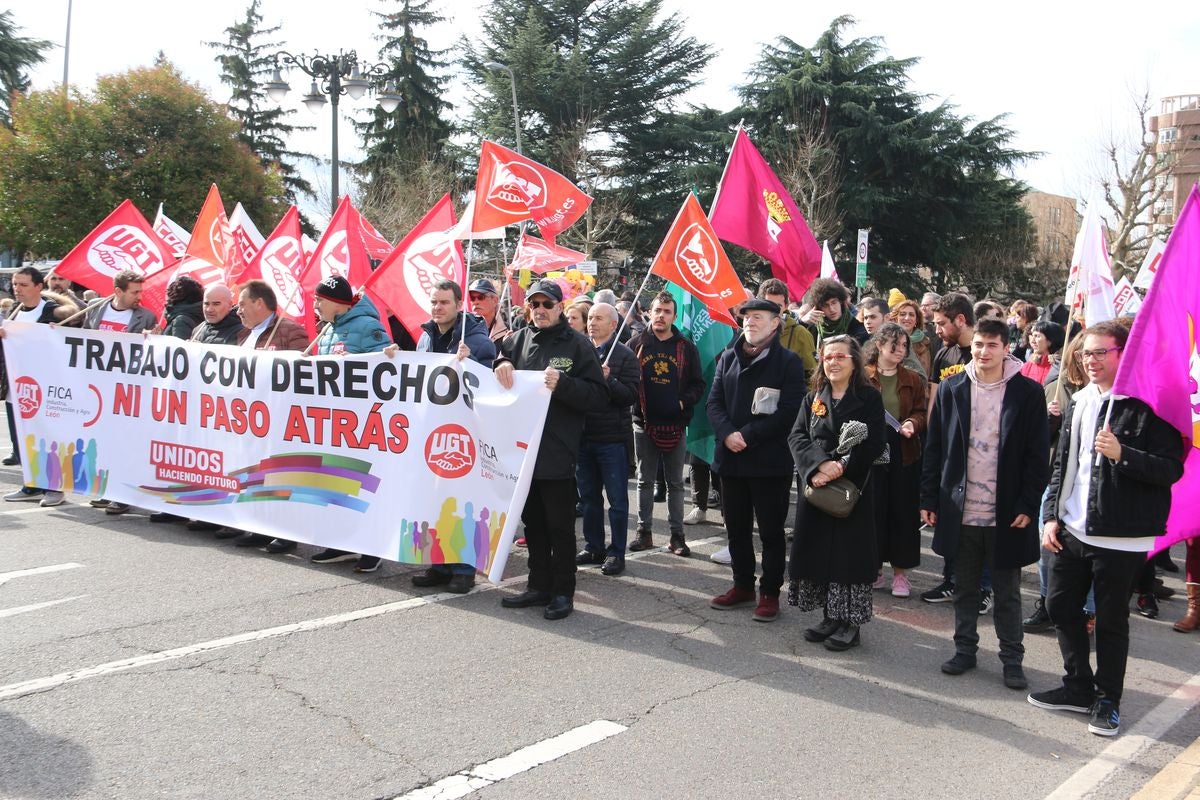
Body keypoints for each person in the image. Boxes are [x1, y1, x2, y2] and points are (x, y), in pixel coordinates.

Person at [1029, 320, 1184, 736]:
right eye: (1085, 353)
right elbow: (1063, 465)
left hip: (1121, 535)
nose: (1090, 360)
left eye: (1101, 352)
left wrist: (1123, 454)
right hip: (1072, 529)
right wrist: (1050, 516)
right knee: (1060, 606)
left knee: (1112, 622)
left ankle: (1107, 700)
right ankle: (1078, 685)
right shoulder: (1080, 401)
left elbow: (1171, 468)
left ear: (1123, 353)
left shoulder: (1150, 404)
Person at [921, 318, 1049, 691]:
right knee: (964, 586)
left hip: (1006, 511)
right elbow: (935, 448)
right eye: (978, 344)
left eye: (992, 345)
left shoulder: (1027, 393)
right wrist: (929, 497)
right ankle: (965, 650)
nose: (983, 351)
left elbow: (1037, 457)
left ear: (1007, 347)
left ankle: (1012, 658)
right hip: (960, 507)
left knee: (1007, 592)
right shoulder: (952, 388)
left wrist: (1028, 503)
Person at [494, 280, 608, 620]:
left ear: (560, 307)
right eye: (535, 304)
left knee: (559, 526)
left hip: (558, 450)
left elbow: (599, 397)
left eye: (547, 304)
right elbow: (499, 363)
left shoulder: (577, 345)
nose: (540, 310)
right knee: (534, 525)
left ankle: (562, 592)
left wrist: (566, 384)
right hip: (521, 451)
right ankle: (537, 585)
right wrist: (501, 362)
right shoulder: (516, 340)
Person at [707, 298, 807, 622]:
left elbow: (790, 411)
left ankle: (769, 593)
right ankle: (742, 585)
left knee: (771, 532)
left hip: (768, 462)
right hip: (731, 459)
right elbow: (714, 403)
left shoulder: (788, 362)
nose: (750, 322)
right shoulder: (727, 358)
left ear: (775, 323)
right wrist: (727, 433)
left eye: (758, 317)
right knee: (736, 529)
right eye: (747, 317)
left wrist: (747, 435)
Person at [787, 335, 886, 651]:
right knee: (820, 553)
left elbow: (874, 442)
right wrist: (818, 466)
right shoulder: (814, 396)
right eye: (827, 357)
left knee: (849, 557)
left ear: (854, 361)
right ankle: (830, 616)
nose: (833, 362)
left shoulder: (869, 398)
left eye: (840, 356)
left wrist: (841, 466)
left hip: (851, 488)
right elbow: (797, 436)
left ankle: (850, 624)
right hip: (817, 486)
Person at [406, 280, 497, 593]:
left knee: (463, 502)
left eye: (444, 302)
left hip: (464, 433)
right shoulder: (425, 338)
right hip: (433, 431)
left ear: (459, 305)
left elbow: (485, 387)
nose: (437, 308)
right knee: (434, 500)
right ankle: (439, 564)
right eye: (434, 302)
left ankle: (463, 568)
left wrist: (468, 363)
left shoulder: (477, 341)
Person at [306, 275, 392, 572]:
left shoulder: (367, 326)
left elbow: (384, 368)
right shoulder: (329, 330)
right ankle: (341, 541)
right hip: (334, 421)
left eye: (320, 299)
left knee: (364, 484)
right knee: (337, 480)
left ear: (336, 303)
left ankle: (371, 548)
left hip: (362, 423)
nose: (315, 304)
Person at [627, 292, 706, 556]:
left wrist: (683, 403)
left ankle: (677, 537)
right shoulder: (636, 343)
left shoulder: (685, 346)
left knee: (674, 484)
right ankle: (644, 533)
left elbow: (698, 384)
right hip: (643, 424)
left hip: (675, 425)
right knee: (644, 481)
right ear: (649, 312)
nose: (661, 315)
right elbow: (625, 378)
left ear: (674, 316)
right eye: (657, 310)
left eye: (667, 311)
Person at [0, 267, 79, 502]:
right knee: (20, 439)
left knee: (46, 437)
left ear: (38, 286)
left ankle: (54, 488)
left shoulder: (54, 313)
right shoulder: (14, 312)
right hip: (16, 387)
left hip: (45, 389)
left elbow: (74, 338)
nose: (17, 289)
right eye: (15, 284)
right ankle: (31, 484)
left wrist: (57, 333)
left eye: (23, 285)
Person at [83, 270, 157, 516]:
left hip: (127, 390)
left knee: (125, 443)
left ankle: (123, 494)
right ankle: (108, 489)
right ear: (118, 291)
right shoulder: (95, 309)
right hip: (98, 388)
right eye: (134, 291)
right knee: (104, 442)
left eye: (140, 291)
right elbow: (81, 338)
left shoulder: (146, 317)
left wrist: (152, 338)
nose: (139, 296)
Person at [919, 291, 976, 604]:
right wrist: (931, 438)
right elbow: (934, 398)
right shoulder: (943, 355)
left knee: (977, 526)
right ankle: (950, 580)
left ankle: (981, 588)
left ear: (961, 320)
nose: (936, 329)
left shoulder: (982, 355)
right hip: (947, 450)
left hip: (977, 452)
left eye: (941, 323)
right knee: (949, 519)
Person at [575, 302, 639, 576]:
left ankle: (616, 553)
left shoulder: (624, 356)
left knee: (617, 501)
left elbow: (630, 396)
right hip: (583, 436)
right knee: (589, 499)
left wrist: (609, 380)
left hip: (612, 439)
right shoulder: (578, 351)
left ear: (613, 324)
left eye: (599, 318)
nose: (592, 323)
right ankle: (594, 546)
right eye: (590, 318)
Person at [863, 323, 927, 597]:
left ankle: (901, 575)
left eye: (904, 346)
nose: (900, 350)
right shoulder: (862, 376)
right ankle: (873, 569)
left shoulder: (912, 378)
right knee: (873, 510)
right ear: (879, 345)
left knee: (902, 511)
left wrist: (913, 423)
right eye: (895, 345)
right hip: (869, 450)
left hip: (903, 450)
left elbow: (921, 411)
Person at [758, 278, 816, 375]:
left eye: (778, 306)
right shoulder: (750, 332)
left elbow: (812, 375)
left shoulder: (800, 334)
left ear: (786, 306)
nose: (774, 310)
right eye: (769, 304)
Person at [801, 278, 868, 344]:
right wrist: (802, 322)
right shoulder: (813, 329)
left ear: (841, 301)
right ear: (819, 307)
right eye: (825, 305)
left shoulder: (857, 328)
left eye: (834, 302)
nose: (831, 309)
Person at [889, 299, 931, 378]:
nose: (907, 318)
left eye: (911, 315)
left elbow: (926, 374)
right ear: (895, 318)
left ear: (916, 320)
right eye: (902, 314)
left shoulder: (925, 343)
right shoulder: (887, 341)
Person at [1018, 321, 1064, 386]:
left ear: (1050, 341)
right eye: (1032, 335)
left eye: (1037, 336)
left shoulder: (1060, 368)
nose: (1032, 340)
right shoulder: (1026, 366)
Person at [468, 278, 511, 343]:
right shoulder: (463, 330)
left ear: (495, 300)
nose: (475, 302)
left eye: (481, 297)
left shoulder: (509, 331)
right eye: (472, 298)